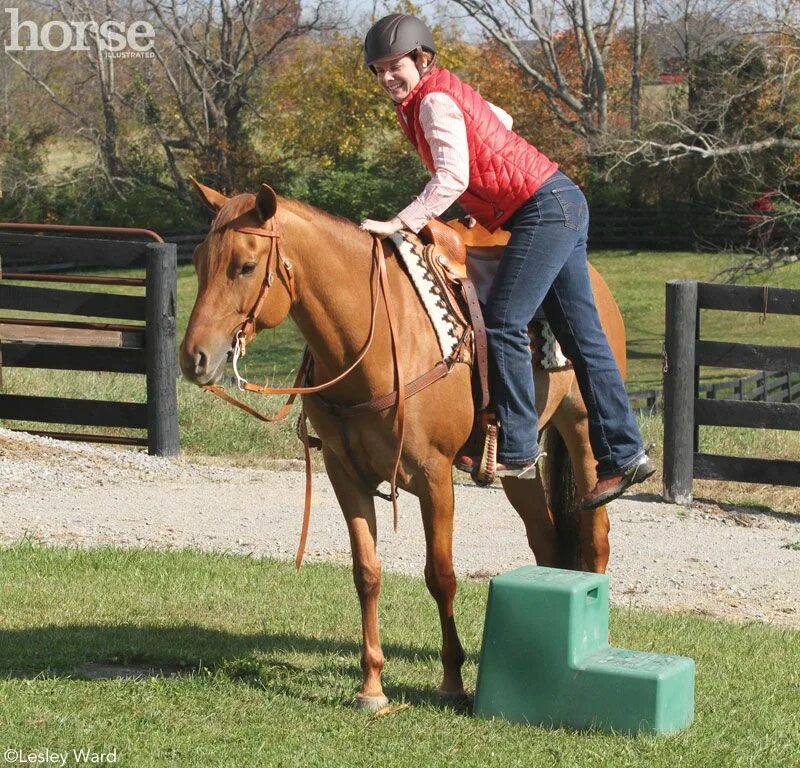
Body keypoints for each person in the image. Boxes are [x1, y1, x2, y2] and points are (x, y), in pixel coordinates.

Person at [359, 13, 654, 508]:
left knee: (502, 320)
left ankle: (517, 446)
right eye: (379, 69)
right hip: (558, 202)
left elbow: (451, 179)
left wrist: (400, 222)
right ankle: (624, 454)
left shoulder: (431, 102)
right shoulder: (438, 94)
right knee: (583, 340)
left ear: (421, 59)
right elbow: (502, 121)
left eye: (396, 66)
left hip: (544, 210)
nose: (388, 76)